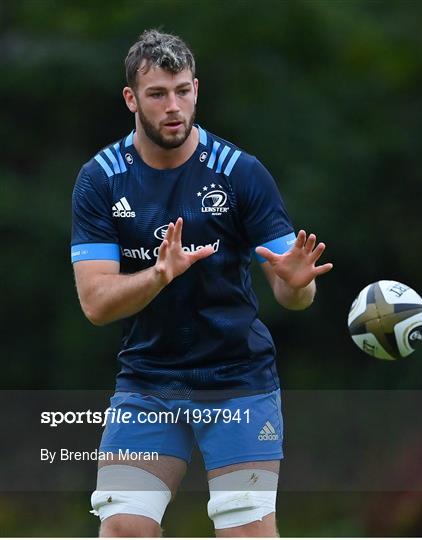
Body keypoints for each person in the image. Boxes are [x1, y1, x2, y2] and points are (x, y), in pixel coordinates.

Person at [71, 29, 332, 538]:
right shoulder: (100, 179)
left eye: (183, 90)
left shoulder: (241, 173)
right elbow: (96, 303)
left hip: (238, 383)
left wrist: (298, 285)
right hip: (148, 384)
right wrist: (159, 274)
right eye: (158, 94)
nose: (174, 106)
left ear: (196, 89)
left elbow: (292, 293)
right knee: (123, 528)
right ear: (131, 99)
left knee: (246, 533)